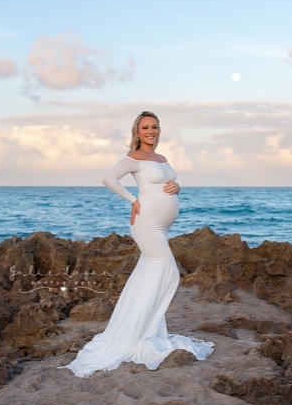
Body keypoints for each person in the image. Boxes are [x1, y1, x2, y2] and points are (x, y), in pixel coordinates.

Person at [63, 111, 214, 377]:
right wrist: (133, 201)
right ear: (137, 131)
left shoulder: (161, 159)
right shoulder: (134, 158)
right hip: (146, 224)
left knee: (147, 276)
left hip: (162, 226)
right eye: (145, 127)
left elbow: (167, 183)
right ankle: (138, 333)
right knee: (167, 271)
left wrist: (177, 186)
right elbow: (109, 178)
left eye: (154, 127)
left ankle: (147, 331)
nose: (150, 131)